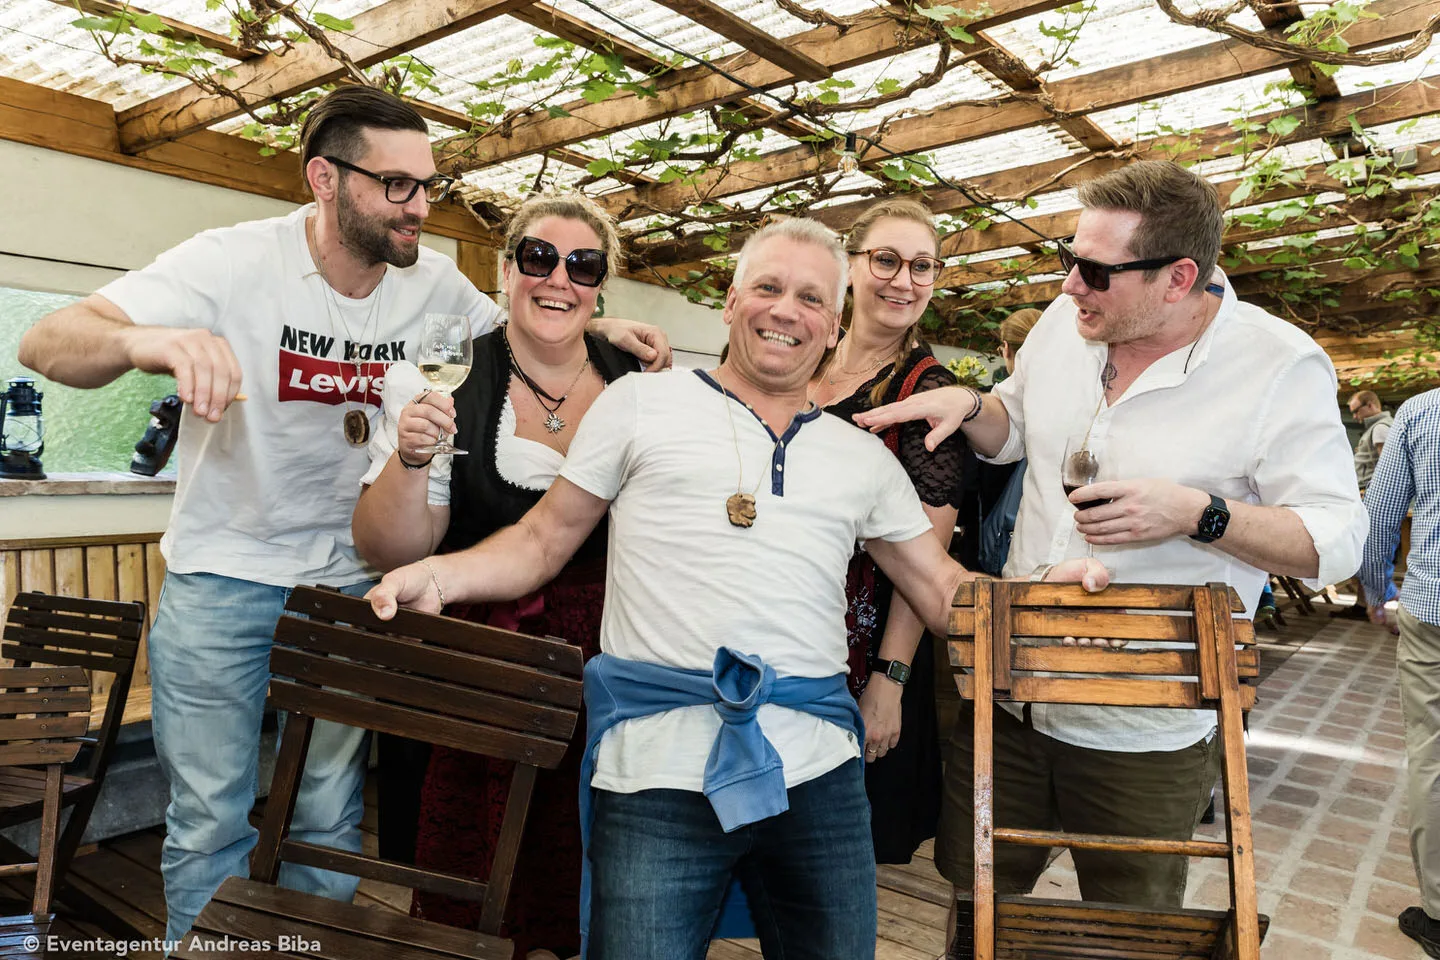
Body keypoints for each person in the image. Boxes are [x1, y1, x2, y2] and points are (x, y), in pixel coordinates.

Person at [15, 86, 668, 945]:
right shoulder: (232, 261)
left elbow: (530, 326)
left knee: (326, 813)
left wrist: (604, 323)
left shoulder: (435, 283)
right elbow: (47, 341)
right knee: (209, 816)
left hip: (358, 585)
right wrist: (152, 341)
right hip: (225, 576)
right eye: (396, 185)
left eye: (427, 184)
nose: (420, 206)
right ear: (325, 179)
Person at [364, 217, 1109, 960]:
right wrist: (438, 575)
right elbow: (541, 541)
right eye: (767, 287)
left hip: (818, 774)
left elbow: (942, 590)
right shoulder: (638, 404)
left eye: (811, 299)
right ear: (729, 301)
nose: (786, 310)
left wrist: (1040, 596)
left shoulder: (862, 457)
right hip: (654, 768)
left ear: (834, 326)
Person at [852, 160, 1367, 957]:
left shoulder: (1277, 365)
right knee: (979, 909)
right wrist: (973, 405)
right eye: (1069, 258)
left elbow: (1335, 540)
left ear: (1178, 277)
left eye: (1094, 271)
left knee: (1131, 930)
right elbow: (1016, 427)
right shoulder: (1066, 325)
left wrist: (1198, 514)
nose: (1069, 286)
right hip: (1010, 691)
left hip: (1143, 724)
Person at [351, 194, 638, 959]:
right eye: (539, 257)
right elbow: (389, 548)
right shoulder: (439, 379)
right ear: (507, 270)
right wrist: (412, 457)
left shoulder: (641, 379)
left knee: (599, 872)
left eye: (583, 265)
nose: (560, 279)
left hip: (612, 658)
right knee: (485, 884)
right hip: (482, 658)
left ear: (600, 286)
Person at [806, 198, 961, 863]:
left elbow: (926, 563)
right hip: (783, 627)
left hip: (863, 651)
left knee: (830, 851)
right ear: (850, 265)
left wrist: (889, 680)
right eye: (888, 260)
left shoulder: (928, 395)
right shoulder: (807, 355)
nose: (904, 281)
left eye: (922, 266)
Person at [1357, 387, 1440, 956]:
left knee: (1433, 755)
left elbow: (1379, 518)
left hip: (1433, 611)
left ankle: (1439, 913)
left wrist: (1376, 592)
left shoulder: (1423, 411)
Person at [1333, 389, 1396, 618]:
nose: (1355, 417)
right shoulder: (1375, 428)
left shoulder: (1380, 429)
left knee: (1367, 553)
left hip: (1369, 499)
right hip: (1365, 498)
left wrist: (1370, 497)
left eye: (1356, 411)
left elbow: (1387, 467)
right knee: (1363, 552)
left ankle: (1372, 605)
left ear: (1370, 405)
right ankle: (1363, 604)